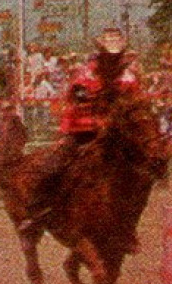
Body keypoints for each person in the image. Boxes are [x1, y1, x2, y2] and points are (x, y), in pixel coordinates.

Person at [22, 27, 140, 232]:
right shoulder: (86, 74)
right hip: (82, 130)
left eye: (117, 55)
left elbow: (136, 103)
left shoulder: (128, 77)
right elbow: (75, 97)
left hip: (115, 132)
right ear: (101, 53)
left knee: (143, 162)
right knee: (54, 165)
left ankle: (131, 218)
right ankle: (37, 210)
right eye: (110, 55)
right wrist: (94, 108)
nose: (114, 59)